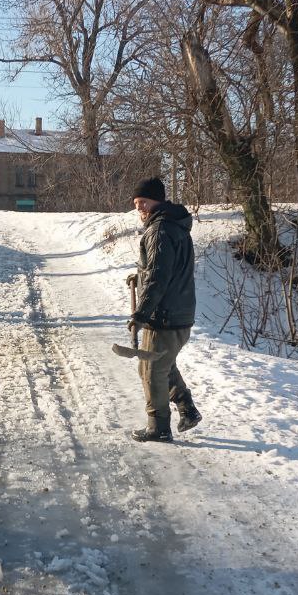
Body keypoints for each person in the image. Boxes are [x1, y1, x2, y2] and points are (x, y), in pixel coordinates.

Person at [127, 176, 202, 443]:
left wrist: (142, 313)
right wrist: (139, 276)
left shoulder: (159, 231)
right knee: (161, 362)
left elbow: (159, 276)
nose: (140, 209)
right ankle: (186, 408)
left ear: (158, 201)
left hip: (165, 316)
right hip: (180, 313)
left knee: (151, 370)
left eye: (144, 202)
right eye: (136, 204)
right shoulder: (175, 226)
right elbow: (163, 270)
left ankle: (158, 427)